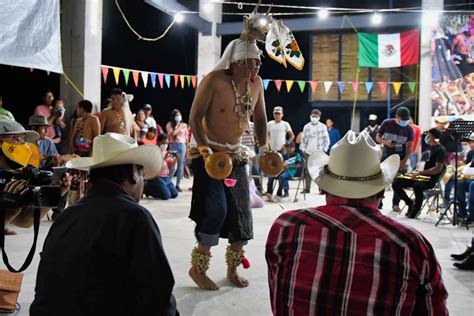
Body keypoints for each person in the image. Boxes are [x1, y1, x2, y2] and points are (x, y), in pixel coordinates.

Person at [265, 131, 448, 315]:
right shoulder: (411, 245)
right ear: (382, 192)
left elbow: (279, 301)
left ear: (322, 188)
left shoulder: (286, 227)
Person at [30, 133, 178, 315]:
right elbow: (158, 299)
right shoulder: (135, 217)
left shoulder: (67, 215)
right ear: (133, 173)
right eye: (142, 174)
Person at [188, 37, 267, 291]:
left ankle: (232, 269)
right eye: (250, 63)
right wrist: (205, 151)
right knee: (216, 210)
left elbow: (261, 118)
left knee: (241, 213)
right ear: (234, 62)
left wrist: (264, 148)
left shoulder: (256, 85)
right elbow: (195, 116)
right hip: (209, 155)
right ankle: (197, 269)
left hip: (237, 156)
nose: (255, 68)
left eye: (258, 62)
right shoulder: (213, 80)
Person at [392, 128, 447, 219]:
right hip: (420, 175)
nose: (426, 137)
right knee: (397, 183)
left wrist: (420, 173)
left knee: (417, 186)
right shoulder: (429, 147)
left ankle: (416, 209)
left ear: (432, 136)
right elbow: (423, 163)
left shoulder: (440, 150)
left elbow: (437, 169)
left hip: (429, 179)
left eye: (428, 134)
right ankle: (410, 203)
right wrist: (416, 171)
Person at [376, 106, 414, 212]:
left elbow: (409, 147)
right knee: (381, 179)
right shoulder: (387, 123)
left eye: (406, 120)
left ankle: (396, 204)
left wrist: (404, 161)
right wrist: (385, 142)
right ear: (397, 116)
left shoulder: (409, 129)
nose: (404, 122)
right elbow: (378, 137)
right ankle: (379, 202)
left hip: (400, 158)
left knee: (397, 182)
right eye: (403, 120)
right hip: (386, 156)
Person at [299, 108, 329, 194]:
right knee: (307, 171)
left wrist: (324, 150)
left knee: (320, 171)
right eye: (313, 116)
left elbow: (326, 140)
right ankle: (307, 188)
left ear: (319, 117)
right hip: (308, 152)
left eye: (316, 116)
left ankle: (321, 189)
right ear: (310, 116)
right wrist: (303, 149)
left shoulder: (322, 127)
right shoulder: (306, 127)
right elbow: (303, 140)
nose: (314, 118)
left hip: (318, 152)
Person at [144, 133, 179, 200]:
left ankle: (161, 188)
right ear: (158, 142)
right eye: (163, 143)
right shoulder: (154, 151)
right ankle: (147, 189)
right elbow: (156, 163)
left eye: (167, 143)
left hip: (166, 177)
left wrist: (176, 159)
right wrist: (165, 158)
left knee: (174, 194)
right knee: (166, 196)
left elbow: (171, 165)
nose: (165, 145)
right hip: (157, 176)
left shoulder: (166, 152)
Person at [166, 109, 188, 192]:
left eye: (180, 115)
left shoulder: (184, 125)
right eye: (177, 115)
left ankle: (178, 185)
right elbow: (173, 134)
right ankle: (168, 182)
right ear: (173, 117)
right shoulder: (169, 125)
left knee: (180, 166)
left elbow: (186, 138)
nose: (179, 117)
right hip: (173, 146)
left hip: (182, 145)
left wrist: (187, 149)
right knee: (173, 166)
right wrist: (179, 127)